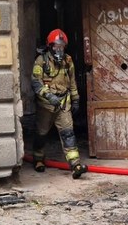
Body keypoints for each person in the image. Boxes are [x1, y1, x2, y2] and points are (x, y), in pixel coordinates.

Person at [30, 29, 88, 179]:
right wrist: (49, 96)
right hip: (46, 105)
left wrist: (76, 99)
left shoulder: (68, 61)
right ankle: (38, 159)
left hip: (63, 104)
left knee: (68, 134)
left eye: (62, 46)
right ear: (50, 46)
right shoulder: (41, 61)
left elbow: (72, 82)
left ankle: (75, 165)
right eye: (56, 46)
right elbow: (36, 82)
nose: (59, 49)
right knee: (42, 133)